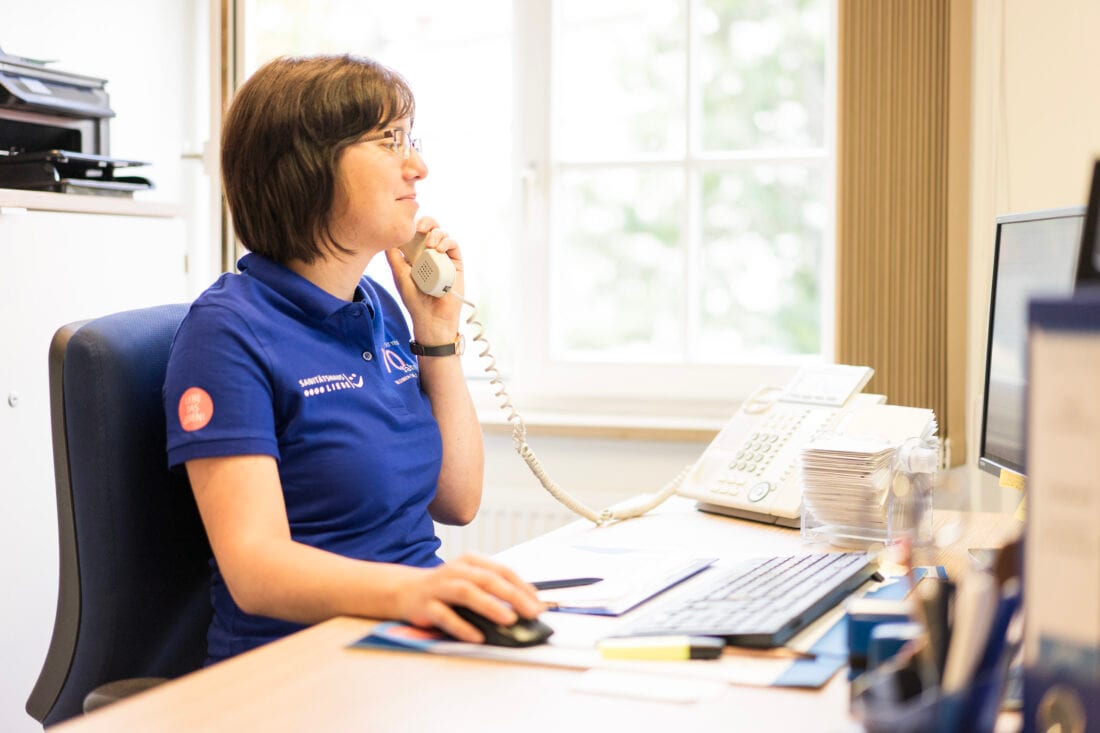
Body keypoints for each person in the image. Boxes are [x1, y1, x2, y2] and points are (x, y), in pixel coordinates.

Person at [163, 53, 543, 664]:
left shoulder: (380, 309)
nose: (417, 166)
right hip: (295, 666)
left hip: (407, 640)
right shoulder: (227, 333)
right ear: (308, 166)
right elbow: (256, 571)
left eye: (410, 139)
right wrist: (420, 591)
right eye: (389, 141)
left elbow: (458, 500)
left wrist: (437, 336)